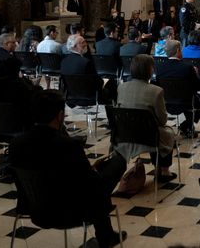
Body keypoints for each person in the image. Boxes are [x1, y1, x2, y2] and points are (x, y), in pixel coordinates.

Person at [9, 90, 126, 247]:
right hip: (70, 212)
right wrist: (94, 171)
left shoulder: (16, 144)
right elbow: (89, 183)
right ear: (59, 115)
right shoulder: (68, 145)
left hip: (34, 209)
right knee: (116, 164)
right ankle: (106, 236)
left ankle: (106, 235)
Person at [116, 55, 176, 182]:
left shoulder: (121, 87)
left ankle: (159, 168)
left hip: (125, 134)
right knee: (167, 132)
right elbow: (162, 120)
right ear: (149, 70)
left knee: (155, 130)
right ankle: (164, 170)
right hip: (149, 137)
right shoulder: (156, 91)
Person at [155, 40, 200, 137]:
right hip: (186, 101)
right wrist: (196, 75)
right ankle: (186, 125)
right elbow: (198, 87)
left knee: (193, 97)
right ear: (177, 51)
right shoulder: (187, 67)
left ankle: (187, 126)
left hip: (166, 101)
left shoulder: (159, 67)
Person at [61, 34, 117, 104]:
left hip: (72, 96)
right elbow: (98, 83)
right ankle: (113, 110)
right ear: (74, 46)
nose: (85, 44)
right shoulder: (86, 62)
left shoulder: (64, 62)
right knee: (112, 83)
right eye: (82, 43)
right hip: (90, 96)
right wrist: (104, 81)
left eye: (85, 41)